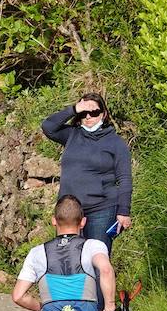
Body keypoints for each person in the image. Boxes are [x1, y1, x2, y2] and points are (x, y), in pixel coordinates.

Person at [39, 93, 132, 249]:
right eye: (84, 113)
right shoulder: (71, 135)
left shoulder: (116, 143)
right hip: (69, 210)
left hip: (101, 209)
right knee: (67, 259)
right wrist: (74, 109)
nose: (88, 116)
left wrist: (123, 211)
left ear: (104, 114)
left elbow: (124, 178)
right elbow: (48, 127)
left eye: (94, 112)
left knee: (96, 260)